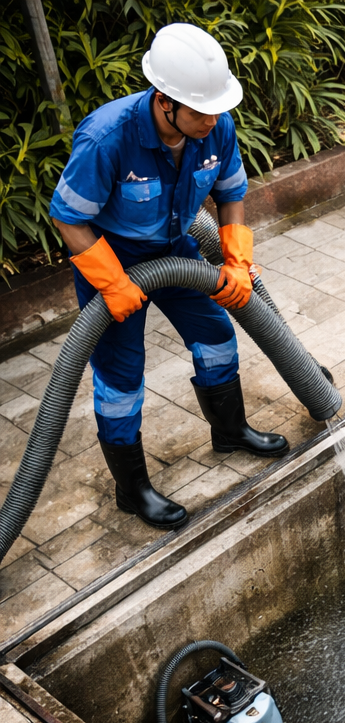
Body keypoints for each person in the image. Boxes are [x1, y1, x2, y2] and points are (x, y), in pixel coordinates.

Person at [49, 22, 287, 531]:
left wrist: (236, 262)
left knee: (218, 335)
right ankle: (132, 490)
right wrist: (112, 282)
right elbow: (69, 217)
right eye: (201, 110)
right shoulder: (107, 138)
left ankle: (230, 431)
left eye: (217, 108)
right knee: (121, 380)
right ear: (164, 101)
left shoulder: (216, 126)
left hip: (177, 249)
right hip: (112, 261)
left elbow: (230, 195)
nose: (212, 120)